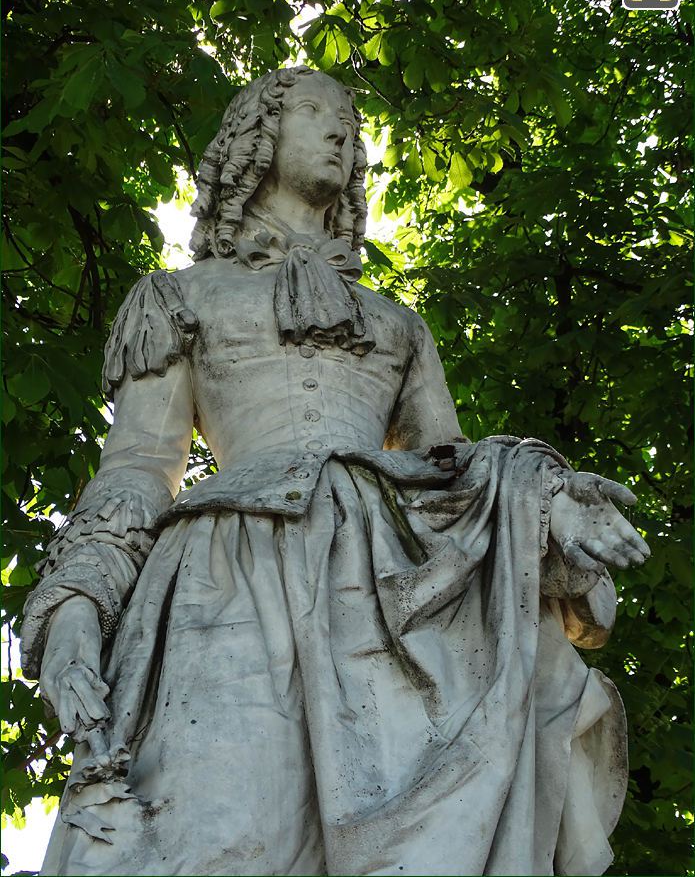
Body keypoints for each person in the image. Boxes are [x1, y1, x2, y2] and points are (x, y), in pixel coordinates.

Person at [21, 67, 649, 877]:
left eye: (349, 123)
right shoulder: (180, 297)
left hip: (386, 583)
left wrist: (539, 494)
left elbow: (449, 471)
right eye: (316, 112)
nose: (340, 131)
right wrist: (75, 601)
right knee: (217, 828)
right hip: (233, 569)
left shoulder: (396, 323)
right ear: (257, 137)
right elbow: (140, 468)